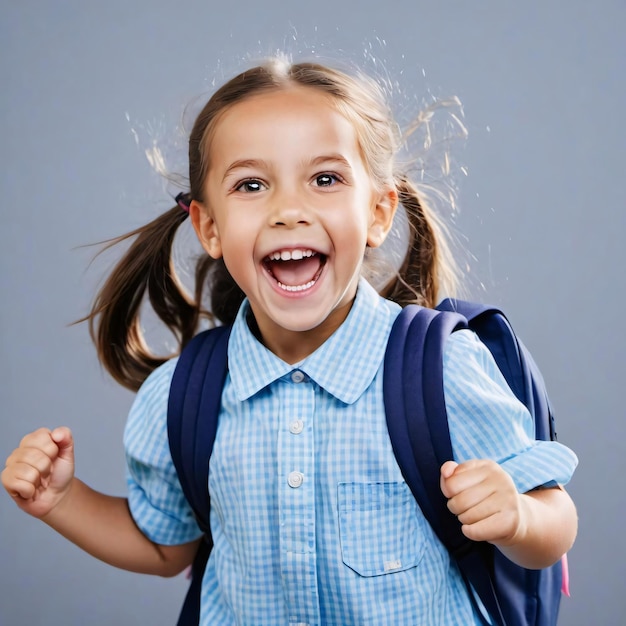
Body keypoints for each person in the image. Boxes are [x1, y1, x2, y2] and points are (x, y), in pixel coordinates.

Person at [2, 58, 578, 625]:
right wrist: (63, 500)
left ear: (378, 212)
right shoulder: (184, 397)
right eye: (251, 185)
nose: (288, 211)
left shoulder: (443, 372)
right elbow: (164, 549)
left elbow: (553, 523)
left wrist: (517, 518)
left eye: (325, 179)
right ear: (209, 227)